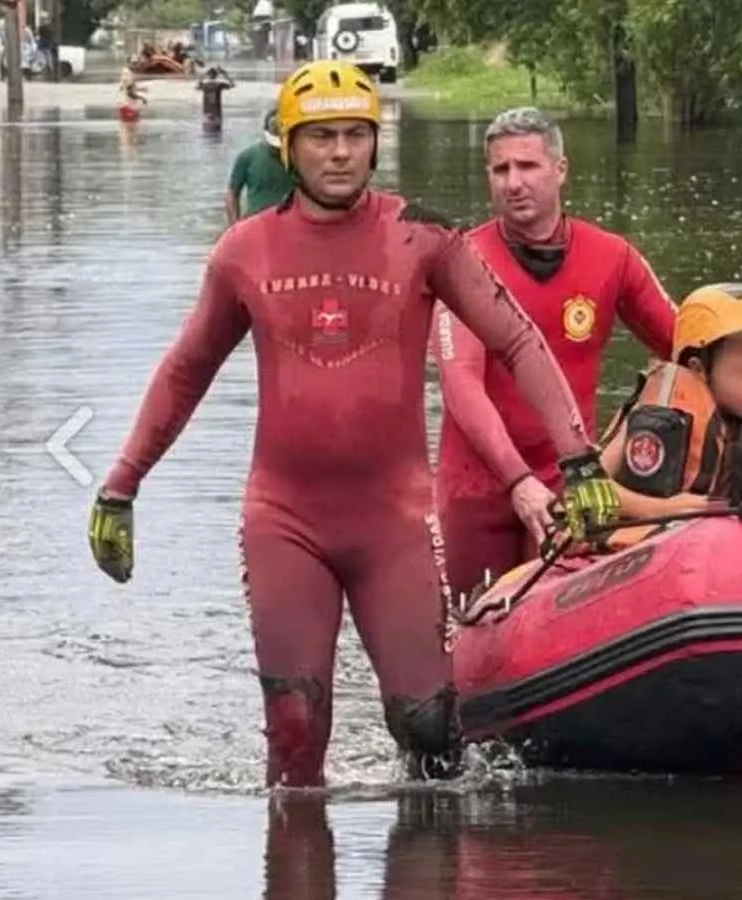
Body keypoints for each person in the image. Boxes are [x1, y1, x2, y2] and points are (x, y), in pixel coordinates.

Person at [84, 60, 622, 790]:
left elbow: (519, 340)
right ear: (289, 149)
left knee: (430, 733)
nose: (339, 153)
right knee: (296, 732)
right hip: (285, 520)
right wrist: (120, 488)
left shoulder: (423, 236)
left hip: (393, 521)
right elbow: (186, 370)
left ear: (375, 142)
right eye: (320, 137)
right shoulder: (244, 252)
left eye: (353, 136)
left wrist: (580, 461)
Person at [431, 105, 677, 591]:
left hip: (571, 483)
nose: (513, 182)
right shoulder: (461, 262)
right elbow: (461, 386)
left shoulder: (612, 257)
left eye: (527, 166)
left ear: (560, 170)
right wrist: (517, 481)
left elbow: (692, 346)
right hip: (477, 491)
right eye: (500, 169)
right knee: (465, 634)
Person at [600, 281, 742, 520]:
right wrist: (665, 509)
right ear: (698, 368)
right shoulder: (661, 406)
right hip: (650, 538)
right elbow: (587, 489)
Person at [227, 110, 296, 222]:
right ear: (265, 132)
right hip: (256, 222)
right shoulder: (247, 156)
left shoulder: (300, 158)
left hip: (290, 222)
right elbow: (232, 194)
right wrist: (234, 226)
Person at [197, 65, 235, 131]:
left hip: (206, 113)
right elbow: (232, 85)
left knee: (206, 131)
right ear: (216, 76)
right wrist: (225, 74)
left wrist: (204, 74)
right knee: (217, 132)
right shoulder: (219, 85)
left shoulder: (204, 86)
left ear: (208, 76)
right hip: (217, 114)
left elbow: (197, 85)